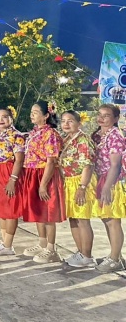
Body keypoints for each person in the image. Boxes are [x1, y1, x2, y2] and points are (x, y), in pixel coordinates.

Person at [21, 101, 65, 264]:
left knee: (48, 212)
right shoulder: (34, 131)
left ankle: (51, 249)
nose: (32, 114)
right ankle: (42, 243)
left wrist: (43, 184)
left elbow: (51, 161)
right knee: (38, 211)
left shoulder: (50, 134)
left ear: (46, 115)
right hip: (33, 173)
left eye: (36, 112)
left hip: (44, 174)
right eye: (31, 111)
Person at [58, 110, 97, 268]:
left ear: (79, 123)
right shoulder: (66, 139)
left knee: (82, 219)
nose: (66, 124)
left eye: (70, 121)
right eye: (63, 121)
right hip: (69, 181)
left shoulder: (83, 139)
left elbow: (88, 165)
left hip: (80, 181)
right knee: (73, 218)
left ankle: (87, 255)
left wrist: (82, 187)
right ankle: (80, 252)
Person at [0, 107, 26, 256]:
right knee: (1, 208)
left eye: (4, 117)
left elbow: (19, 159)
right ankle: (4, 242)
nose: (0, 119)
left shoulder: (17, 135)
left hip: (8, 171)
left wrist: (12, 180)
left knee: (10, 209)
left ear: (11, 118)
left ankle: (8, 245)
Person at [91, 104, 126, 272]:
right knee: (106, 219)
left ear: (116, 119)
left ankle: (115, 259)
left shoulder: (115, 136)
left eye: (106, 115)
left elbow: (115, 165)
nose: (102, 118)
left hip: (111, 181)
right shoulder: (99, 135)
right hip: (101, 179)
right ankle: (115, 255)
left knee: (113, 220)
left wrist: (107, 187)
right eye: (100, 114)